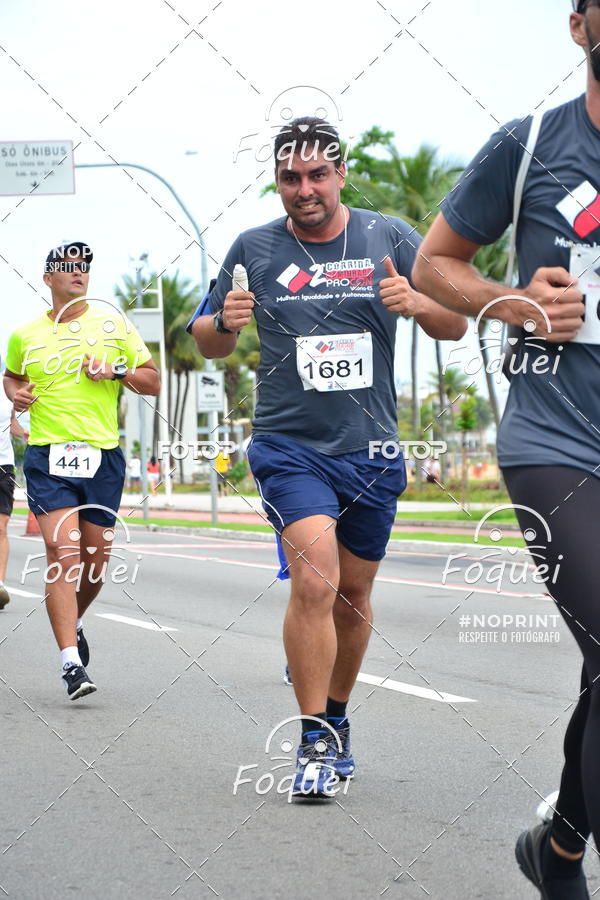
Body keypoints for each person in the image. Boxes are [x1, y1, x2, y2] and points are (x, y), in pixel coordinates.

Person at [189, 117, 467, 797]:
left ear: (340, 175)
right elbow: (207, 341)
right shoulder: (252, 247)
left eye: (317, 175)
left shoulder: (387, 236)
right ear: (278, 181)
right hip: (290, 447)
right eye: (290, 177)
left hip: (370, 452)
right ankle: (312, 740)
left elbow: (455, 320)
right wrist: (225, 320)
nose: (304, 189)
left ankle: (338, 718)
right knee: (315, 581)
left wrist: (418, 302)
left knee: (355, 596)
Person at [413, 4, 599, 895]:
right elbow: (434, 264)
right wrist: (517, 303)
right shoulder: (529, 146)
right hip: (555, 442)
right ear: (579, 25)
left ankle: (558, 845)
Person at [3, 241, 160, 700]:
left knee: (94, 567)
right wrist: (16, 393)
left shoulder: (113, 324)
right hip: (49, 458)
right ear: (47, 278)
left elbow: (151, 379)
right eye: (67, 268)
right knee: (63, 554)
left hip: (103, 458)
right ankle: (70, 663)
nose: (78, 274)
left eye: (84, 268)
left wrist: (114, 371)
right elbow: (11, 375)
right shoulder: (25, 334)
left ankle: (75, 619)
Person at [0, 379, 28, 609]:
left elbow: (12, 424)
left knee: (1, 526)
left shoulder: (6, 387)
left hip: (3, 466)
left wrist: (27, 435)